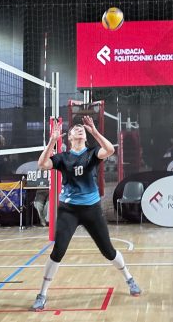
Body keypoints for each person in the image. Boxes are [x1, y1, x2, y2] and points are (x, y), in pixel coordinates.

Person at [32, 115, 141, 311]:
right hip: (68, 210)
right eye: (75, 129)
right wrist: (52, 141)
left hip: (91, 209)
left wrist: (95, 132)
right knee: (58, 252)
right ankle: (42, 294)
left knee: (108, 251)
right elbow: (42, 164)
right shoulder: (63, 158)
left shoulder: (92, 153)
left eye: (82, 129)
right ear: (69, 137)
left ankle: (129, 278)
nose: (79, 129)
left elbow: (110, 150)